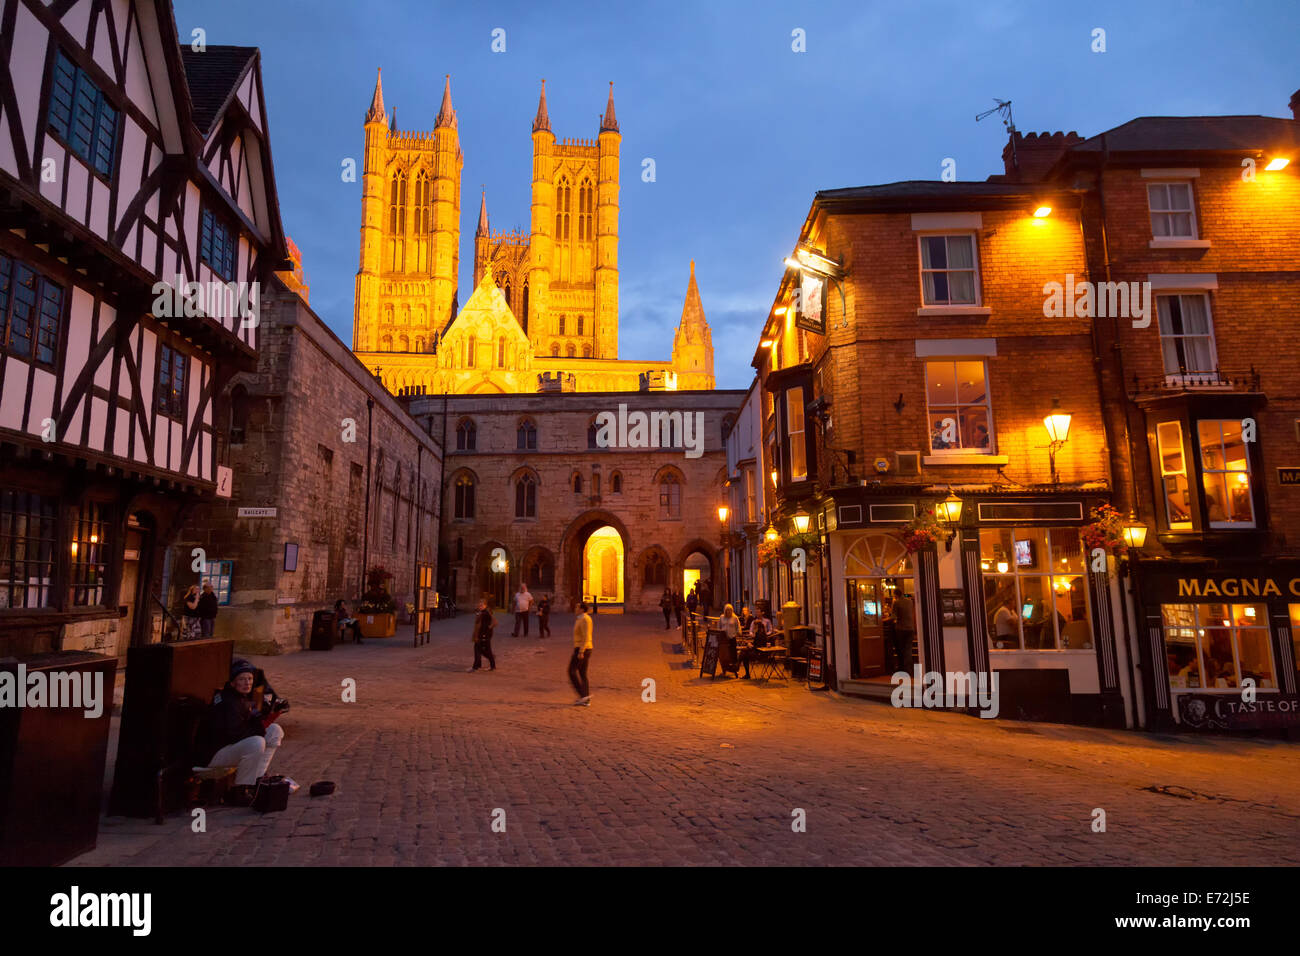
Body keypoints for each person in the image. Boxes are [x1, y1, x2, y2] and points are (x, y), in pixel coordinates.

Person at [198, 659, 287, 806]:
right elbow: (235, 734)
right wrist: (261, 726)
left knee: (275, 731)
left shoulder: (242, 697)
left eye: (250, 678)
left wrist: (271, 714)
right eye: (242, 679)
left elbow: (253, 720)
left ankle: (256, 780)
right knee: (257, 743)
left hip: (230, 745)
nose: (247, 683)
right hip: (214, 753)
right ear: (233, 682)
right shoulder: (227, 701)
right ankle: (240, 790)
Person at [570, 602, 593, 705]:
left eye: (577, 607)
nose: (575, 608)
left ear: (582, 609)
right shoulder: (580, 619)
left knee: (571, 671)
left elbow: (586, 636)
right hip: (583, 648)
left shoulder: (584, 619)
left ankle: (583, 695)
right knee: (582, 673)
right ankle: (586, 699)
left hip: (582, 649)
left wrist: (581, 651)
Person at [468, 596, 496, 672]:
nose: (479, 606)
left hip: (484, 635)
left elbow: (485, 626)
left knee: (478, 650)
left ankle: (475, 667)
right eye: (479, 605)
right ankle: (491, 665)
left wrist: (483, 635)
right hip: (482, 635)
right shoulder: (482, 612)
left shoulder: (486, 613)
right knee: (484, 650)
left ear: (485, 605)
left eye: (481, 605)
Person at [891, 586, 916, 671]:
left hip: (901, 628)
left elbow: (893, 617)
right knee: (908, 648)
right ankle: (909, 668)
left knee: (901, 649)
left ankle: (902, 668)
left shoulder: (896, 602)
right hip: (911, 628)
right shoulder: (910, 601)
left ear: (895, 595)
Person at [717, 604, 741, 677]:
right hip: (723, 639)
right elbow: (719, 626)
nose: (729, 612)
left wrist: (738, 633)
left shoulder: (735, 618)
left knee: (733, 655)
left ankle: (734, 670)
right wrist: (719, 634)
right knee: (724, 655)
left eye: (730, 610)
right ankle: (724, 670)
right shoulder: (721, 617)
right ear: (725, 611)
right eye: (727, 610)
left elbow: (738, 627)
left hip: (732, 638)